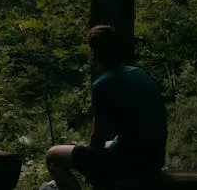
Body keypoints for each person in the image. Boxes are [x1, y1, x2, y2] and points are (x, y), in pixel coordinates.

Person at [44, 25, 168, 190]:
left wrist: (91, 168)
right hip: (154, 159)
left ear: (94, 54)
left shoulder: (103, 85)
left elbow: (97, 140)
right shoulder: (139, 74)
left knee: (53, 156)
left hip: (130, 163)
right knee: (103, 145)